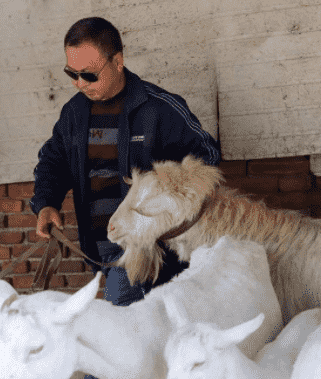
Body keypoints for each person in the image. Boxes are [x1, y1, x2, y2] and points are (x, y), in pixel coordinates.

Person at [29, 15, 220, 362]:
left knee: (116, 339)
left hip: (148, 249)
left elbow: (206, 157)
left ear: (117, 61)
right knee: (145, 339)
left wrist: (164, 191)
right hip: (99, 246)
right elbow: (52, 161)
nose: (79, 83)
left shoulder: (160, 108)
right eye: (71, 74)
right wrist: (46, 203)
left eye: (89, 74)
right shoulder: (73, 113)